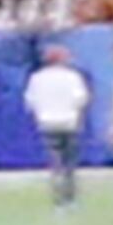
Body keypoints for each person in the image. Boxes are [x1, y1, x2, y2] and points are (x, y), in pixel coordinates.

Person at [24, 45, 91, 212]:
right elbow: (81, 99)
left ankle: (58, 202)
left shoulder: (37, 78)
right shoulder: (73, 77)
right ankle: (71, 199)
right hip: (69, 122)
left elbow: (30, 102)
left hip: (47, 123)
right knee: (70, 165)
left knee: (55, 165)